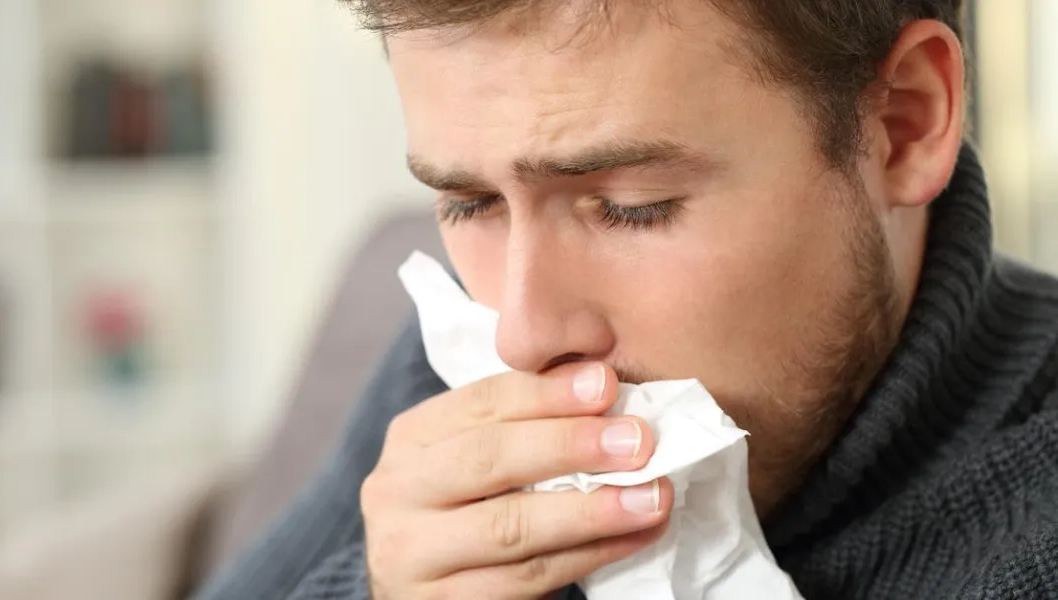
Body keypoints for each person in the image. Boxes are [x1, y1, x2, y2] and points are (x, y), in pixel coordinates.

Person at [197, 0, 1058, 598]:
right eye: (471, 204)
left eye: (631, 207)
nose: (523, 335)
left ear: (905, 121)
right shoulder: (455, 356)